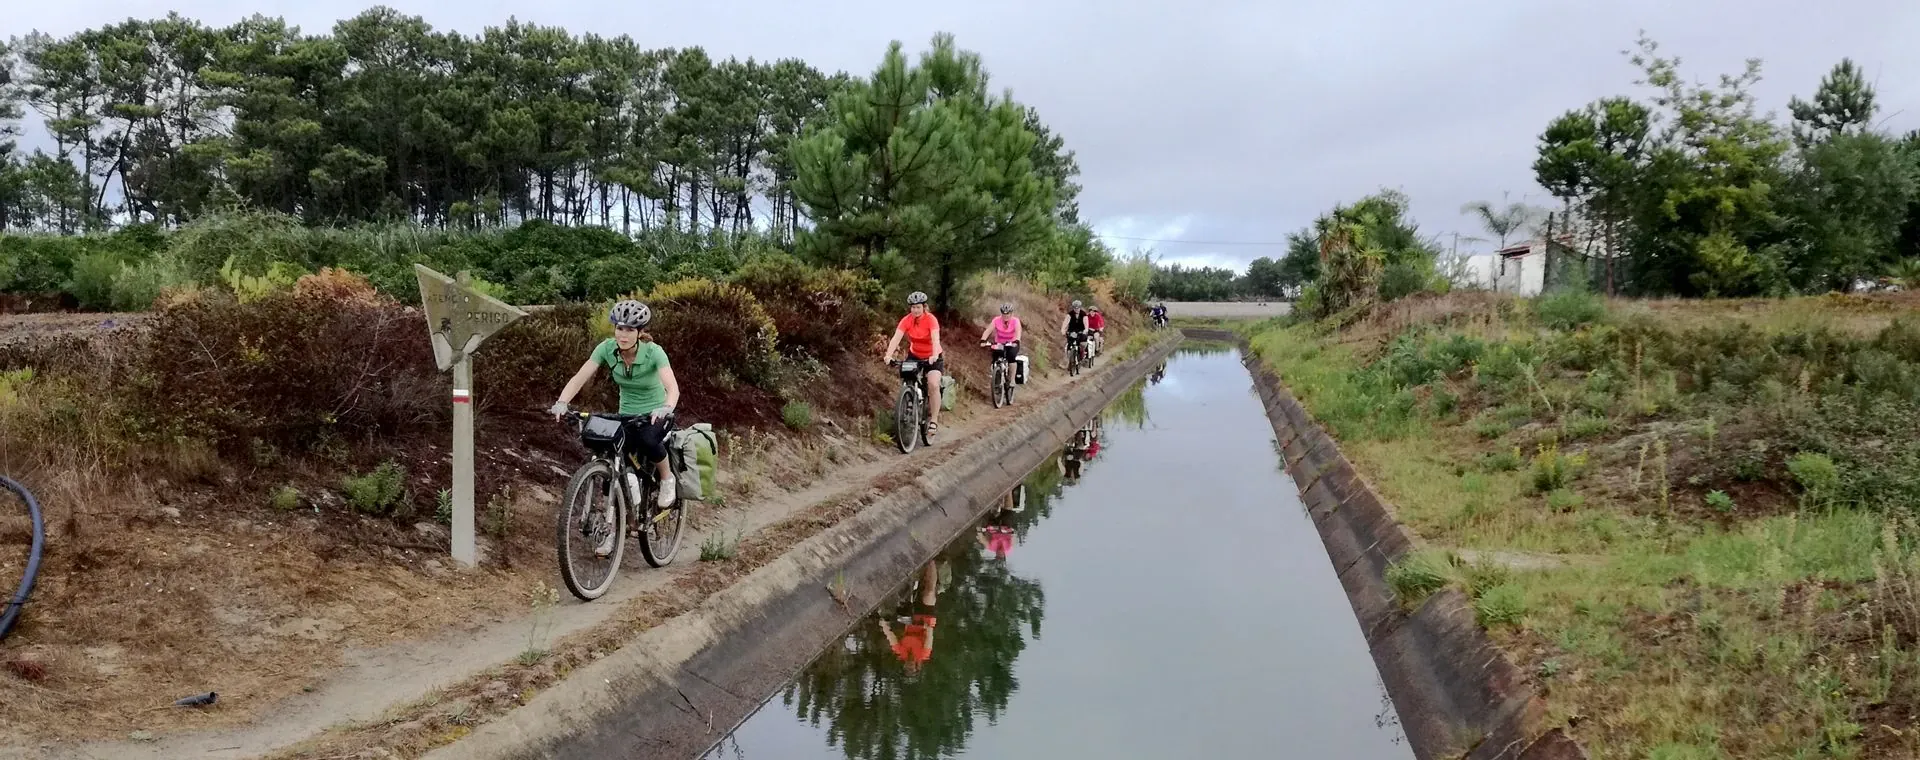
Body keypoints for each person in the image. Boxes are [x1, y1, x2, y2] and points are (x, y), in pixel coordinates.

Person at [551, 299, 682, 556]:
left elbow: (672, 387)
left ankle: (667, 479)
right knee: (610, 458)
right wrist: (562, 402)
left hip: (655, 412)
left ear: (640, 332)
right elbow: (580, 376)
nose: (623, 334)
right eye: (619, 328)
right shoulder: (607, 349)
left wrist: (666, 407)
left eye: (630, 330)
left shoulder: (654, 352)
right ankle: (612, 531)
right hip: (626, 414)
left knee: (648, 441)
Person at [882, 291, 944, 440]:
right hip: (914, 355)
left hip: (932, 356)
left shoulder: (931, 320)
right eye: (913, 307)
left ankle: (934, 420)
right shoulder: (906, 320)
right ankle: (909, 402)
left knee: (933, 384)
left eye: (918, 307)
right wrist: (888, 355)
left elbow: (936, 339)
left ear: (924, 307)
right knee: (907, 378)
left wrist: (934, 355)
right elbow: (896, 338)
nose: (915, 310)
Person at [979, 303, 1022, 371]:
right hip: (999, 342)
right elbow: (988, 331)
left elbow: (1018, 331)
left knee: (1011, 357)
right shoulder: (996, 320)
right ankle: (995, 373)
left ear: (1011, 314)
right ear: (1001, 313)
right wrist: (983, 340)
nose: (1006, 316)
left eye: (1007, 314)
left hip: (1012, 343)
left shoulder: (1015, 321)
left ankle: (1012, 379)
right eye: (1004, 314)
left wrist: (1017, 341)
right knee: (995, 356)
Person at [1059, 300, 1089, 366]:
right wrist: (1063, 330)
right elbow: (1065, 323)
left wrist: (1085, 330)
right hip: (1072, 331)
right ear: (1073, 308)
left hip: (1081, 331)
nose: (1076, 309)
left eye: (1077, 307)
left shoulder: (1084, 314)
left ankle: (1082, 356)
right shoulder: (1070, 314)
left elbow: (1086, 324)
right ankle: (1067, 360)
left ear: (1080, 307)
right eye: (1075, 308)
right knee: (1067, 346)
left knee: (1083, 344)